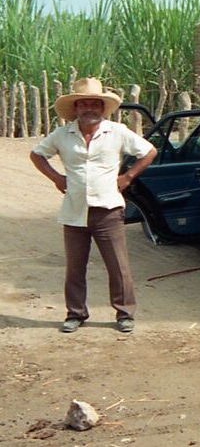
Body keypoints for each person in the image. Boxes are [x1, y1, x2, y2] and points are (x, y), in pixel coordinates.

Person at [29, 77, 157, 333]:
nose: (89, 108)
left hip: (108, 209)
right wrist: (56, 178)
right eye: (84, 104)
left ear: (102, 107)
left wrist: (128, 177)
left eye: (94, 104)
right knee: (75, 267)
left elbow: (149, 151)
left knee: (118, 266)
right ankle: (75, 314)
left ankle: (124, 314)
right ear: (75, 108)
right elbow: (37, 154)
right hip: (74, 210)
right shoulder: (63, 134)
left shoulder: (117, 132)